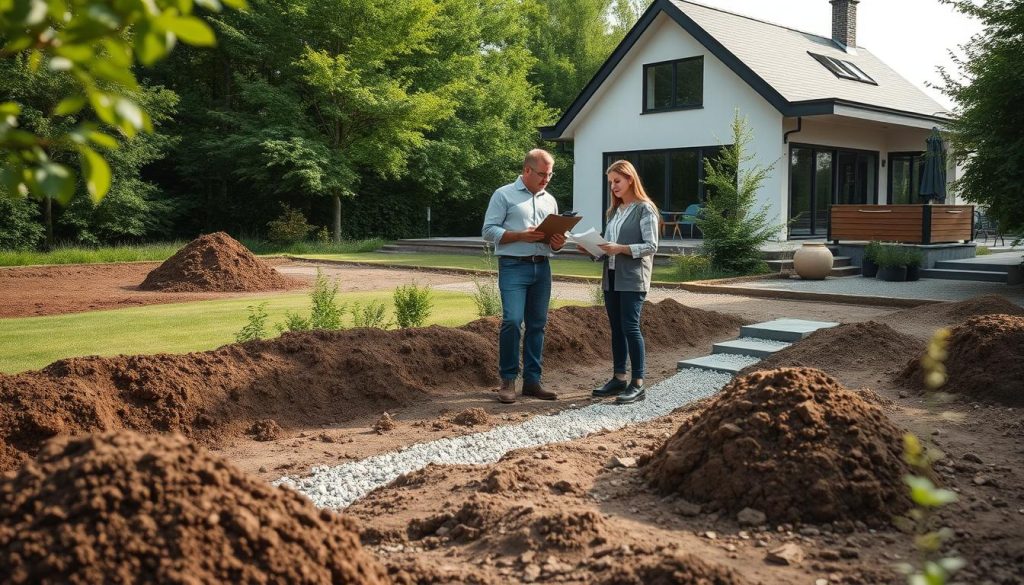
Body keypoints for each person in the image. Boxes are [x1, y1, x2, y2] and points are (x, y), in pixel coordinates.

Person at [482, 149, 567, 404]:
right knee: (512, 320)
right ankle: (507, 380)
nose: (546, 180)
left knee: (537, 324)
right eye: (542, 174)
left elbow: (555, 245)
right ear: (527, 170)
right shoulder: (503, 194)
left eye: (549, 175)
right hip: (513, 266)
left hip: (542, 267)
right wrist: (519, 235)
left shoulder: (549, 200)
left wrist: (558, 242)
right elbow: (488, 230)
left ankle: (532, 382)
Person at [592, 160, 659, 405]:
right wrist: (591, 248)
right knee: (617, 329)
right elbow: (606, 248)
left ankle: (638, 383)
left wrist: (619, 248)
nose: (613, 187)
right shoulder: (614, 212)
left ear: (630, 179)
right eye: (610, 183)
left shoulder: (645, 209)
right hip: (610, 277)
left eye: (617, 181)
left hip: (633, 278)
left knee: (630, 328)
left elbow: (651, 246)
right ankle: (619, 378)